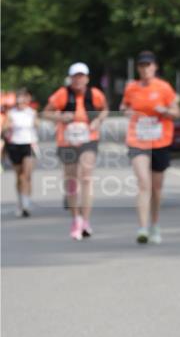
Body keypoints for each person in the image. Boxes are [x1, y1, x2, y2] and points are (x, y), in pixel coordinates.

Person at [121, 51, 180, 244]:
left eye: (148, 65)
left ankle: (154, 224)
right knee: (143, 183)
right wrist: (126, 111)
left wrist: (166, 111)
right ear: (138, 68)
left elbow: (177, 112)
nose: (145, 68)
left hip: (160, 141)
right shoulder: (131, 87)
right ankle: (142, 228)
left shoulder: (164, 87)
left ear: (154, 67)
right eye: (142, 65)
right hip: (138, 141)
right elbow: (124, 106)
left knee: (156, 188)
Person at [43, 64, 109, 240]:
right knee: (71, 180)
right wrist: (60, 117)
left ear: (87, 78)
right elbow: (46, 113)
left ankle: (86, 220)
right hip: (67, 141)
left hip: (88, 139)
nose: (78, 80)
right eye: (75, 76)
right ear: (70, 78)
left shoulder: (94, 94)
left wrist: (98, 121)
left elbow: (104, 109)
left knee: (86, 177)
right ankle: (76, 219)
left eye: (81, 76)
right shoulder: (62, 94)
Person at [3, 88, 38, 216]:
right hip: (14, 145)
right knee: (19, 177)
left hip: (29, 144)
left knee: (26, 176)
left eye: (24, 99)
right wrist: (8, 126)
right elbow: (4, 128)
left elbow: (37, 126)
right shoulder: (11, 113)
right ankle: (20, 201)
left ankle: (26, 204)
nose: (21, 102)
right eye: (19, 99)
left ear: (28, 99)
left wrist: (36, 122)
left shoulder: (32, 112)